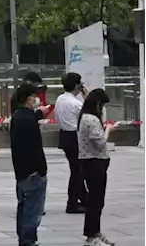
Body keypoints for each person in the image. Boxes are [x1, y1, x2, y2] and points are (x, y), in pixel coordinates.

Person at [10, 82, 47, 246]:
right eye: (34, 96)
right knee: (33, 209)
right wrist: (40, 170)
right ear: (27, 98)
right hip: (33, 172)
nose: (36, 99)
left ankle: (24, 238)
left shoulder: (18, 116)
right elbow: (33, 147)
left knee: (24, 207)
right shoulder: (27, 119)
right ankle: (28, 240)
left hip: (22, 171)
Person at [77, 89, 113, 246]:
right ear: (98, 104)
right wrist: (108, 131)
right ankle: (91, 235)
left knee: (97, 199)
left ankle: (95, 231)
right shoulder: (90, 119)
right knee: (95, 200)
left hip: (93, 161)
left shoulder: (86, 117)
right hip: (94, 161)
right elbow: (99, 142)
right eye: (103, 105)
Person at [56, 72, 88, 214]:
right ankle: (73, 203)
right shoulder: (76, 103)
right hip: (75, 136)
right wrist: (85, 93)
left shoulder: (60, 99)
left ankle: (83, 199)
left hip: (64, 135)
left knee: (76, 170)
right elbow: (88, 115)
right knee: (78, 172)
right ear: (77, 85)